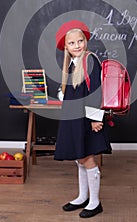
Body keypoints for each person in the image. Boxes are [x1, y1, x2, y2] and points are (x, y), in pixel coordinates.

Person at [54, 20, 112, 218]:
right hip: (74, 118)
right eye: (72, 43)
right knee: (80, 157)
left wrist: (96, 119)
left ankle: (95, 202)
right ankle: (82, 197)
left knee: (87, 158)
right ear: (66, 47)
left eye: (81, 41)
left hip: (88, 119)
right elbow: (76, 91)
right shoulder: (72, 64)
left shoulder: (89, 60)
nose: (77, 45)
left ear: (85, 42)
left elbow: (95, 91)